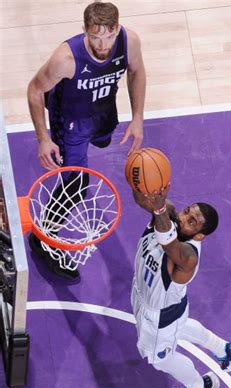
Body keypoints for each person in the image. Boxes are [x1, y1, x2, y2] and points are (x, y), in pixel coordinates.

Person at [27, 1, 146, 280]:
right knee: (77, 185)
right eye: (95, 37)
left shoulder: (130, 42)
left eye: (108, 36)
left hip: (102, 109)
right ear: (84, 31)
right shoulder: (66, 57)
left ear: (117, 28)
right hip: (71, 121)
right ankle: (43, 237)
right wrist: (43, 138)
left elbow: (137, 71)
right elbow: (33, 89)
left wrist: (138, 116)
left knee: (104, 141)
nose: (102, 44)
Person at [131, 186, 231, 388]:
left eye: (193, 222)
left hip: (159, 317)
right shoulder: (169, 215)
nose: (184, 219)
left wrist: (160, 209)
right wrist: (139, 181)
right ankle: (226, 350)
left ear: (200, 235)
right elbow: (142, 200)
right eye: (187, 212)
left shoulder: (188, 256)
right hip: (150, 298)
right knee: (180, 326)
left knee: (161, 359)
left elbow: (169, 243)